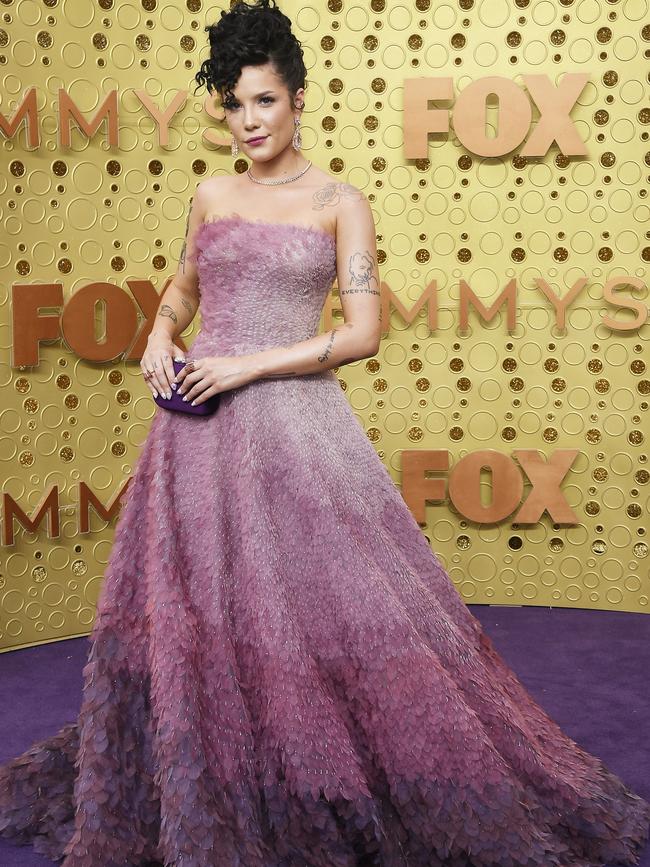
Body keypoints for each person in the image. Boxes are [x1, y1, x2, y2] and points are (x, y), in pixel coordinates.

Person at [1, 0, 649, 864]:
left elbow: (362, 334)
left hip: (296, 423)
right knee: (206, 612)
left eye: (264, 100)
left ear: (299, 98)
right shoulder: (212, 193)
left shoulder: (342, 201)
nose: (249, 121)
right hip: (196, 431)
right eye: (234, 105)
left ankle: (303, 780)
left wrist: (249, 364)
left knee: (309, 609)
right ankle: (219, 772)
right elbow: (186, 288)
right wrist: (160, 333)